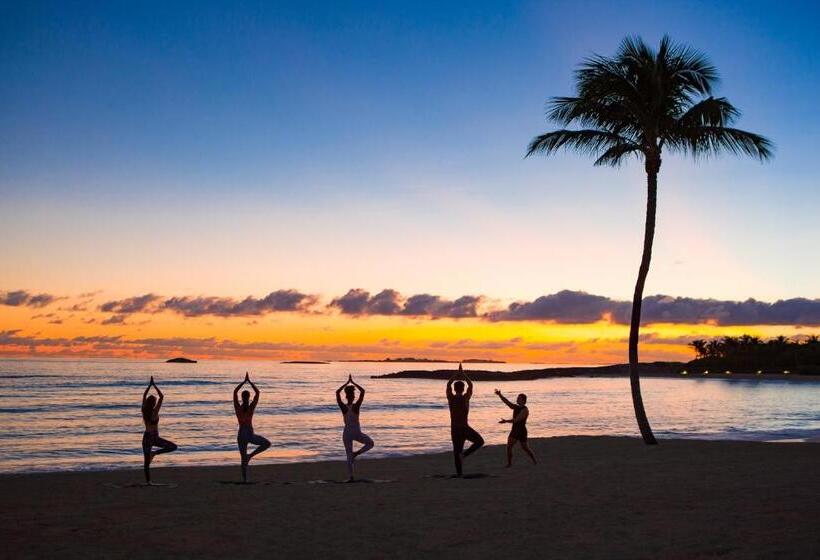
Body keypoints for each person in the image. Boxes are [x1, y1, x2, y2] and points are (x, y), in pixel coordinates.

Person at [446, 364, 484, 476]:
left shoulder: (451, 398)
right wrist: (463, 374)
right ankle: (465, 455)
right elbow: (471, 385)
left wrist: (455, 374)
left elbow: (448, 384)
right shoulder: (465, 398)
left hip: (454, 429)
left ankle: (459, 474)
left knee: (456, 452)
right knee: (480, 441)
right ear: (463, 389)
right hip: (464, 428)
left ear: (454, 389)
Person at [233, 372, 271, 482]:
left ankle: (244, 479)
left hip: (241, 435)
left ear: (242, 397)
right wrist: (250, 382)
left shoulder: (237, 408)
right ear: (249, 398)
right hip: (249, 434)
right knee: (267, 444)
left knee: (242, 458)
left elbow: (235, 392)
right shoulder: (251, 408)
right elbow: (258, 392)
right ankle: (251, 456)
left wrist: (243, 382)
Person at [336, 374, 374, 481]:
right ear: (353, 396)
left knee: (348, 454)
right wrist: (353, 382)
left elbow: (337, 393)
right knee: (370, 443)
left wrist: (346, 384)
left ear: (346, 396)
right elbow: (363, 391)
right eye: (353, 395)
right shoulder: (356, 406)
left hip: (347, 432)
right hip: (356, 432)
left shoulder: (343, 407)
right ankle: (356, 454)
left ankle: (351, 477)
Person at [141, 376, 177, 483]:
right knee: (173, 447)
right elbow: (161, 396)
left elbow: (144, 395)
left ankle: (148, 482)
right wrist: (154, 385)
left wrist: (149, 386)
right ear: (153, 403)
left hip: (146, 437)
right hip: (154, 437)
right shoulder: (155, 412)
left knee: (146, 463)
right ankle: (155, 453)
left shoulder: (144, 410)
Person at [495, 389, 537, 467]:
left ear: (524, 401)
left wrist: (506, 421)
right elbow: (507, 402)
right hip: (515, 430)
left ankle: (534, 460)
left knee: (525, 448)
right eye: (517, 398)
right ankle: (509, 464)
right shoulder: (516, 407)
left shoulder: (525, 410)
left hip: (521, 431)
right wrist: (500, 395)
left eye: (519, 398)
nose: (517, 399)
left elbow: (516, 420)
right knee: (509, 447)